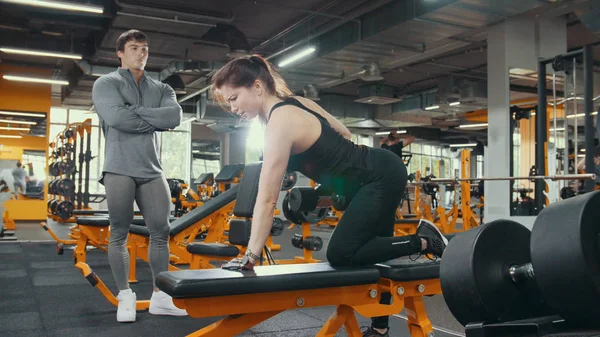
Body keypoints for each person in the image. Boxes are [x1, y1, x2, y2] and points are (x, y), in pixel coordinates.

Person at [213, 55, 448, 337]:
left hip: (377, 177)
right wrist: (335, 183)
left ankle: (424, 241)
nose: (233, 107)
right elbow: (344, 133)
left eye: (234, 98)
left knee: (341, 253)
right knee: (377, 253)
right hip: (373, 172)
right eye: (229, 102)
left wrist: (250, 255)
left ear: (257, 87)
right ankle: (381, 328)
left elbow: (267, 199)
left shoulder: (279, 122)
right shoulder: (296, 104)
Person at [91, 29, 187, 323]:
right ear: (120, 52)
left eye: (144, 49)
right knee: (118, 233)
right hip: (119, 168)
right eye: (134, 48)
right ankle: (125, 296)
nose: (141, 53)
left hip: (152, 171)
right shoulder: (105, 83)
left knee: (161, 231)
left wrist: (134, 112)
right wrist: (151, 120)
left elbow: (174, 117)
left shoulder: (162, 89)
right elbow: (117, 118)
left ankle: (161, 296)